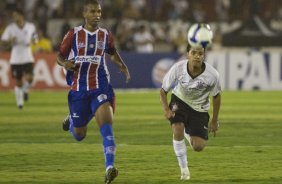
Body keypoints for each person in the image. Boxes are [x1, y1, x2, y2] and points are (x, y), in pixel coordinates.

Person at [56, 0, 130, 184]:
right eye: (93, 11)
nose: (97, 15)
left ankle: (109, 167)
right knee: (79, 135)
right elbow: (60, 55)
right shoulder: (73, 34)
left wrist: (122, 65)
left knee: (106, 125)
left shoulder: (106, 35)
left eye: (99, 11)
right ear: (84, 14)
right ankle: (72, 120)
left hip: (100, 87)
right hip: (79, 90)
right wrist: (65, 63)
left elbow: (112, 52)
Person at [159, 43, 221, 180]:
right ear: (188, 54)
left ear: (204, 55)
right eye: (194, 53)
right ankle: (184, 169)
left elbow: (216, 97)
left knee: (198, 147)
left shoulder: (213, 75)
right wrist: (166, 110)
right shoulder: (177, 68)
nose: (197, 56)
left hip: (200, 108)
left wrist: (215, 120)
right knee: (177, 128)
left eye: (200, 54)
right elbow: (163, 91)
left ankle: (188, 131)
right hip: (179, 101)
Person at [0, 8, 38, 109]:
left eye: (16, 15)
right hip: (16, 58)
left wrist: (33, 41)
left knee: (30, 78)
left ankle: (25, 90)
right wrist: (10, 41)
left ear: (21, 16)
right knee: (18, 82)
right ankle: (20, 102)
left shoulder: (30, 27)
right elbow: (3, 42)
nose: (14, 17)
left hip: (27, 57)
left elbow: (35, 39)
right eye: (13, 16)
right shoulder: (10, 28)